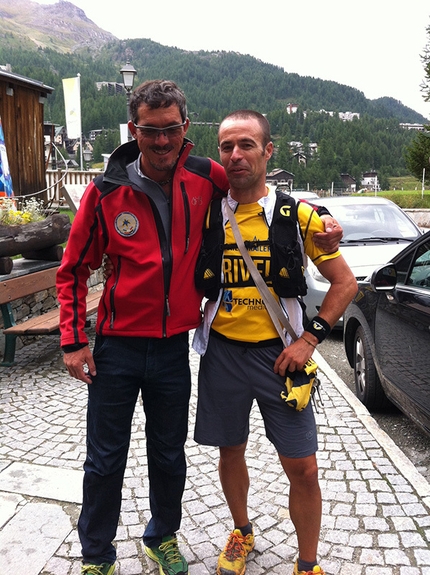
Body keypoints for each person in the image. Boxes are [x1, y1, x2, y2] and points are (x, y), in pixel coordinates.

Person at [57, 79, 342, 575]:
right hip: (119, 346)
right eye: (151, 130)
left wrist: (322, 215)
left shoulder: (203, 175)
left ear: (185, 127)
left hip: (173, 348)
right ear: (134, 129)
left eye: (170, 130)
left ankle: (162, 537)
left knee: (169, 455)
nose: (162, 140)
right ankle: (96, 556)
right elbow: (73, 269)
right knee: (105, 459)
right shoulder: (106, 190)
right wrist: (74, 340)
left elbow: (263, 192)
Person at [192, 110, 358, 575]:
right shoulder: (208, 211)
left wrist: (310, 339)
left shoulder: (298, 215)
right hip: (222, 352)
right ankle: (242, 532)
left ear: (269, 151)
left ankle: (307, 565)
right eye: (227, 147)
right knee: (231, 450)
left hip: (280, 356)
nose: (236, 155)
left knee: (303, 467)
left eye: (246, 145)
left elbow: (345, 285)